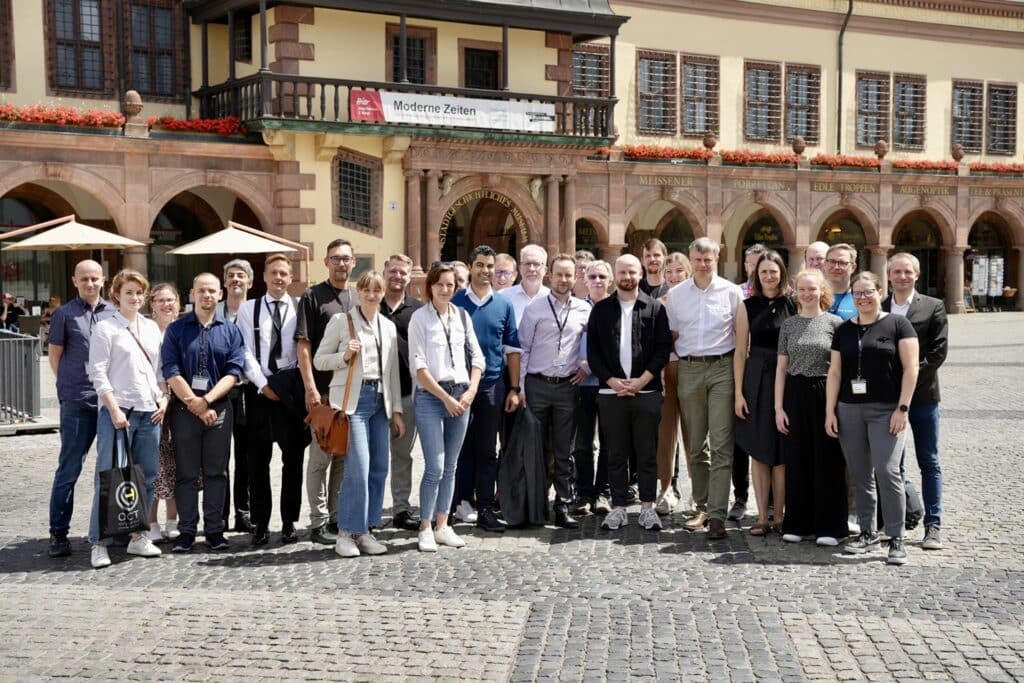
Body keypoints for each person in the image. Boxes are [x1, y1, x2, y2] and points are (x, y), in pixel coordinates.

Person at [826, 272, 919, 565]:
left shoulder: (897, 324)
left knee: (888, 472)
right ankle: (867, 533)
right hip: (849, 409)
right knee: (860, 473)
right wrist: (830, 410)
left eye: (868, 292)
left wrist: (902, 409)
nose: (863, 297)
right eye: (857, 293)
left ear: (880, 292)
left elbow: (911, 369)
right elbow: (836, 373)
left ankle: (896, 537)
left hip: (886, 410)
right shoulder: (843, 330)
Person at [315, 271, 405, 557]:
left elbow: (392, 373)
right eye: (367, 290)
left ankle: (365, 530)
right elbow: (319, 360)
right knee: (359, 469)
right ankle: (345, 533)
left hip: (381, 401)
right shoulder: (343, 321)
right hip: (354, 402)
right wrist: (343, 357)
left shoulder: (387, 326)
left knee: (379, 466)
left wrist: (398, 411)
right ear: (359, 291)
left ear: (382, 294)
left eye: (377, 291)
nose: (372, 295)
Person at [665, 237, 746, 541]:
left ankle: (716, 515)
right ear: (690, 259)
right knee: (697, 444)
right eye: (697, 259)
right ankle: (700, 505)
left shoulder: (731, 292)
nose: (702, 264)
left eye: (708, 259)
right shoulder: (676, 295)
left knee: (722, 443)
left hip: (722, 367)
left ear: (717, 258)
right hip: (689, 368)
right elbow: (671, 335)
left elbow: (740, 338)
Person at [86, 269, 167, 568]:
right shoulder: (106, 328)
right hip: (118, 413)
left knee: (145, 476)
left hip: (150, 411)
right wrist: (114, 409)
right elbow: (98, 373)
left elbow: (159, 372)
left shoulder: (149, 328)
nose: (135, 297)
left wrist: (165, 399)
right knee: (108, 478)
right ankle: (99, 542)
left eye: (139, 292)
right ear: (116, 295)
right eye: (129, 292)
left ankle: (138, 536)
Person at [161, 273, 247, 552]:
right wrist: (193, 404)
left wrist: (206, 400)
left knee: (216, 472)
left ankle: (214, 531)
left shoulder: (231, 330)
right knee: (185, 474)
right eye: (202, 291)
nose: (207, 295)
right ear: (192, 293)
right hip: (185, 411)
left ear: (220, 294)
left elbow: (234, 372)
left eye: (212, 291)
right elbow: (170, 370)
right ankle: (186, 531)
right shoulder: (176, 329)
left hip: (218, 409)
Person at [587, 254, 672, 532]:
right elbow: (594, 352)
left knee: (647, 452)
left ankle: (647, 508)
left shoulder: (655, 308)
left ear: (641, 273)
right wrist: (611, 381)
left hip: (646, 392)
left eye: (632, 272)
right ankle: (619, 507)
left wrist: (642, 381)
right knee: (615, 453)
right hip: (611, 394)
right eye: (622, 271)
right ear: (615, 274)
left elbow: (662, 350)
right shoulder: (601, 310)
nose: (627, 276)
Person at [408, 263, 484, 551]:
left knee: (451, 466)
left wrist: (471, 391)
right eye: (439, 284)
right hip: (431, 396)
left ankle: (443, 524)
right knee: (435, 466)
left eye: (450, 284)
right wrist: (445, 398)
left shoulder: (462, 316)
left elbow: (477, 358)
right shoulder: (420, 318)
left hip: (461, 394)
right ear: (430, 286)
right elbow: (419, 367)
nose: (445, 289)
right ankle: (425, 526)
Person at [235, 254, 308, 546]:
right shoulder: (248, 309)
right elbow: (243, 351)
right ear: (264, 276)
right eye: (274, 273)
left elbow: (305, 349)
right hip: (260, 393)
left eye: (284, 274)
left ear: (291, 278)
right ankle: (261, 523)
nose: (279, 278)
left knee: (293, 461)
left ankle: (289, 522)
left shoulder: (300, 307)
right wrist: (262, 384)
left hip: (291, 391)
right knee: (257, 462)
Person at [47, 259, 115, 558]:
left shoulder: (114, 313)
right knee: (69, 469)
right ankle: (58, 533)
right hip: (77, 402)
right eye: (84, 279)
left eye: (95, 279)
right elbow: (55, 357)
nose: (90, 283)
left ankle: (109, 529)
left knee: (110, 469)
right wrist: (68, 389)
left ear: (103, 280)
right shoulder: (64, 314)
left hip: (109, 403)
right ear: (75, 281)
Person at [451, 245, 521, 532]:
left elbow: (513, 349)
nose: (485, 271)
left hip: (493, 385)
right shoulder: (456, 302)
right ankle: (459, 502)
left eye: (490, 266)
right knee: (460, 448)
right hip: (459, 387)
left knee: (487, 450)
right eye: (480, 265)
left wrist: (514, 388)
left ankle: (485, 509)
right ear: (471, 267)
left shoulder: (504, 305)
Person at [518, 253, 591, 529]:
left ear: (575, 277)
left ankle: (562, 505)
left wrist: (587, 364)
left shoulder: (585, 309)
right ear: (550, 275)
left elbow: (593, 344)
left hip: (567, 387)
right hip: (537, 385)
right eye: (558, 274)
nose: (563, 280)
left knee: (563, 450)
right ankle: (534, 505)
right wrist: (521, 387)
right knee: (536, 448)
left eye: (568, 275)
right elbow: (523, 350)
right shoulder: (535, 309)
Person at [775, 270, 847, 544]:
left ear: (822, 291)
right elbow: (782, 368)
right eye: (801, 289)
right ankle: (799, 523)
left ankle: (830, 526)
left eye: (812, 289)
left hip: (824, 391)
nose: (807, 294)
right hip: (794, 391)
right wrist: (778, 408)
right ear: (796, 292)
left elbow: (839, 368)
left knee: (827, 459)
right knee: (797, 459)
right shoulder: (788, 325)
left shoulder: (835, 323)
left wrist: (832, 407)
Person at [883, 252, 948, 550]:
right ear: (888, 275)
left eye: (907, 271)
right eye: (896, 271)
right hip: (884, 400)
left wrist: (906, 380)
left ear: (917, 274)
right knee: (894, 462)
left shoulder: (933, 306)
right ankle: (898, 521)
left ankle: (932, 525)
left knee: (928, 460)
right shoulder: (879, 305)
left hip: (922, 398)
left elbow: (937, 353)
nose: (902, 276)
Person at [296, 239, 356, 544]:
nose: (341, 264)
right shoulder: (312, 296)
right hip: (321, 392)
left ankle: (335, 517)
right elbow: (303, 345)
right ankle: (317, 521)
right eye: (335, 258)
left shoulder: (358, 297)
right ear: (326, 262)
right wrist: (309, 388)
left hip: (351, 393)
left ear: (354, 262)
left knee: (342, 458)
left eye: (346, 258)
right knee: (320, 458)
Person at [734, 251, 796, 536]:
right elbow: (739, 351)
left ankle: (780, 515)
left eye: (773, 271)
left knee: (782, 451)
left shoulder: (793, 304)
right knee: (759, 450)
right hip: (756, 378)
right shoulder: (747, 306)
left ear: (782, 273)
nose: (769, 276)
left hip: (787, 378)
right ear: (756, 276)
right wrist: (738, 392)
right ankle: (761, 516)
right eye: (763, 272)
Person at [380, 254, 424, 531]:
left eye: (402, 273)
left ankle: (400, 508)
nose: (397, 276)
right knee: (370, 456)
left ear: (409, 277)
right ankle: (370, 510)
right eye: (392, 271)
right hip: (373, 394)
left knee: (402, 454)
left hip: (407, 393)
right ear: (384, 273)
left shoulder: (418, 310)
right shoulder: (370, 304)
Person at [729, 243, 768, 521]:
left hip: (768, 373)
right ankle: (740, 497)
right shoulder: (736, 294)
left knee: (769, 434)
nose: (756, 269)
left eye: (761, 264)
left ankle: (772, 502)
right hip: (741, 367)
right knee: (739, 438)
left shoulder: (781, 295)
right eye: (752, 264)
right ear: (745, 266)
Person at [572, 260, 614, 515]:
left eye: (602, 276)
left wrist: (590, 365)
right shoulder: (577, 308)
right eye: (593, 276)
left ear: (609, 280)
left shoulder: (617, 308)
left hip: (608, 384)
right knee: (583, 443)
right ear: (585, 280)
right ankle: (584, 492)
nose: (597, 281)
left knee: (610, 443)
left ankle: (604, 493)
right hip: (583, 386)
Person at [217, 259, 255, 533]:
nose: (236, 280)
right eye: (231, 276)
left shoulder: (255, 312)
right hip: (218, 391)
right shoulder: (213, 312)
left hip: (247, 391)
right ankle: (218, 515)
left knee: (245, 456)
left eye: (241, 276)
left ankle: (243, 512)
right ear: (225, 282)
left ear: (250, 282)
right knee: (218, 458)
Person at [655, 252, 692, 515]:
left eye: (679, 270)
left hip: (691, 367)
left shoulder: (696, 300)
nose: (673, 276)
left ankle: (699, 494)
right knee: (665, 433)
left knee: (694, 433)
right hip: (666, 367)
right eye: (669, 271)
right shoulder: (659, 303)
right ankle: (665, 489)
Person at [148, 283, 182, 542]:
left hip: (180, 403)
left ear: (178, 303)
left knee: (176, 464)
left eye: (170, 300)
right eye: (160, 300)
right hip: (152, 404)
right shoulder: (144, 330)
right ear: (152, 304)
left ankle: (173, 518)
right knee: (152, 463)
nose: (166, 304)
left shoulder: (183, 329)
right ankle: (150, 520)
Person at [504, 244, 550, 325]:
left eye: (536, 264)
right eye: (527, 264)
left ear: (545, 270)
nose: (531, 269)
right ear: (520, 268)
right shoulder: (504, 297)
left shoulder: (553, 299)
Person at [825, 243, 858, 321]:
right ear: (825, 264)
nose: (836, 267)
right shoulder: (813, 296)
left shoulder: (860, 298)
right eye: (832, 261)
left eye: (842, 263)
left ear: (853, 267)